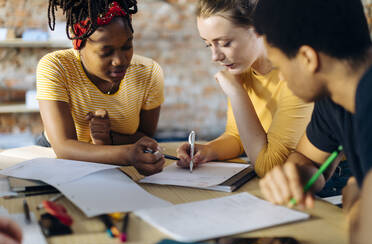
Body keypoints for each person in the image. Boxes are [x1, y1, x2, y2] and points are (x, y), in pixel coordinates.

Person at [253, 0, 372, 212]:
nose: (281, 76)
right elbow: (309, 159)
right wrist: (295, 175)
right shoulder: (334, 98)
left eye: (279, 66)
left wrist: (355, 200)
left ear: (307, 58)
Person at [176, 0, 313, 177]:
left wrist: (236, 92)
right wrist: (208, 150)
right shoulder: (243, 69)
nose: (215, 57)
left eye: (225, 43)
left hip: (327, 183)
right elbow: (238, 136)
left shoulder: (296, 74)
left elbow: (271, 167)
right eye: (208, 44)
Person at [36, 0, 165, 176]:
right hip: (55, 159)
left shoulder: (148, 72)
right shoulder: (56, 66)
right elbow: (64, 147)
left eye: (127, 46)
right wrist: (127, 153)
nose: (120, 60)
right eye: (106, 52)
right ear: (78, 42)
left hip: (115, 160)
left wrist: (107, 138)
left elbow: (145, 137)